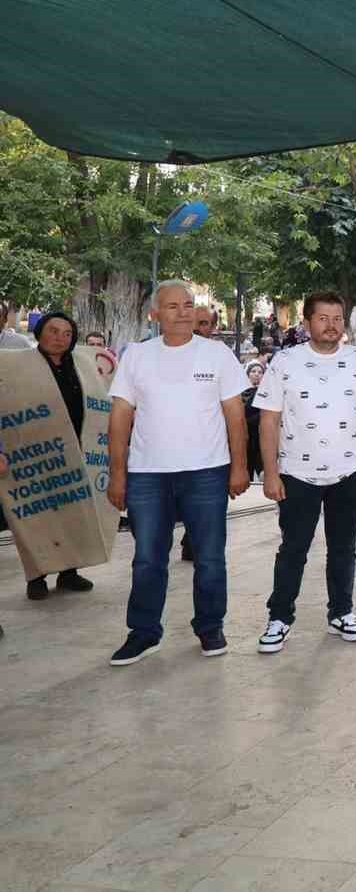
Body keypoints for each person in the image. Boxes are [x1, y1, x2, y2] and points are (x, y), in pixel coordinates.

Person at [106, 281, 250, 665]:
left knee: (209, 557)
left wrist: (239, 466)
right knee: (148, 558)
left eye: (188, 304)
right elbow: (120, 418)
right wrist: (117, 474)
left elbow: (235, 416)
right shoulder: (136, 356)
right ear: (154, 314)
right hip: (148, 474)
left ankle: (209, 626)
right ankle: (144, 632)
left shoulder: (217, 354)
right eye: (172, 306)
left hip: (207, 471)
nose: (183, 312)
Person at [253, 292, 356, 654]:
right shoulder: (285, 362)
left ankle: (341, 612)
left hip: (352, 472)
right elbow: (269, 421)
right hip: (297, 474)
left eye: (338, 318)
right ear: (307, 321)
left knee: (344, 547)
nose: (332, 326)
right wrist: (270, 473)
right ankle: (279, 618)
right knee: (293, 548)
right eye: (324, 318)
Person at [8, 313, 97, 599]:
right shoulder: (19, 366)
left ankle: (68, 572)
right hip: (33, 455)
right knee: (36, 518)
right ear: (39, 332)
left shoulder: (83, 367)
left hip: (75, 451)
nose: (60, 338)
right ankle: (37, 576)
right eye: (53, 331)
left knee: (72, 513)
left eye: (67, 333)